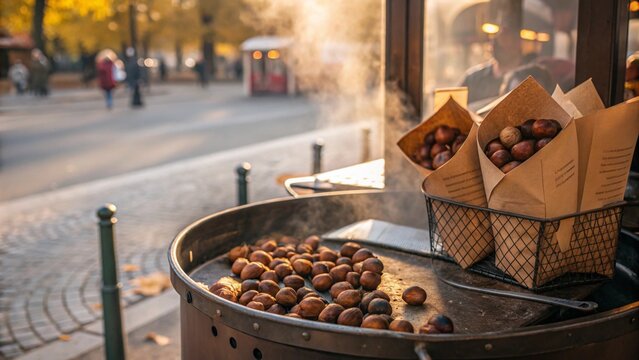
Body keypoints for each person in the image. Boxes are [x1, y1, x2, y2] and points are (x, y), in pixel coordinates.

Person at [461, 25, 523, 104]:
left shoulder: (526, 79)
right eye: (496, 39)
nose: (499, 43)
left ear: (517, 44)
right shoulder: (472, 79)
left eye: (506, 37)